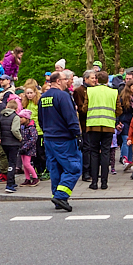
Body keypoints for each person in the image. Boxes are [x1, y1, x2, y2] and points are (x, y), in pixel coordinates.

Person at [38, 71, 82, 212]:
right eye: (65, 79)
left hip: (49, 138)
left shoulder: (43, 97)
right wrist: (78, 134)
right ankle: (61, 196)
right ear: (58, 81)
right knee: (73, 168)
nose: (67, 81)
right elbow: (71, 117)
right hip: (64, 139)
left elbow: (40, 119)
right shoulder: (63, 96)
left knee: (55, 169)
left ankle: (57, 198)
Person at [84, 71, 117, 190]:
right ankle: (104, 182)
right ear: (108, 80)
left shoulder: (90, 91)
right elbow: (118, 109)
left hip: (93, 125)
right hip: (108, 125)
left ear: (97, 80)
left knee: (93, 153)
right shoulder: (114, 92)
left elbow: (85, 107)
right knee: (105, 153)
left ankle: (94, 182)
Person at [0, 98, 24, 193]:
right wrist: (20, 137)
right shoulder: (15, 117)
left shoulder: (2, 116)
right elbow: (14, 130)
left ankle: (12, 181)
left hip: (4, 142)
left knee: (9, 161)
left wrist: (0, 137)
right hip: (13, 142)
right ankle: (9, 184)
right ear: (16, 108)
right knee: (12, 163)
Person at [16, 108, 40, 187]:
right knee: (24, 164)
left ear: (27, 118)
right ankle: (27, 179)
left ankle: (35, 177)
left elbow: (33, 139)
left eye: (21, 118)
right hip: (22, 148)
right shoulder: (22, 127)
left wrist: (25, 147)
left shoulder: (31, 128)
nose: (20, 119)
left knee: (27, 164)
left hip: (29, 149)